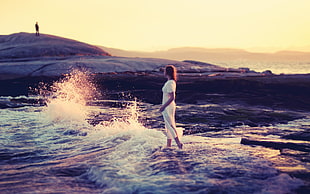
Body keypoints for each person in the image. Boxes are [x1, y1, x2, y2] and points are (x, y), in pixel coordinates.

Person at [160, 65, 183, 149]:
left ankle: (179, 144)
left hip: (168, 107)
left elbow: (172, 97)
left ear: (167, 72)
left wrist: (163, 106)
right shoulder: (170, 82)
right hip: (168, 106)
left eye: (164, 71)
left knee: (170, 125)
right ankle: (168, 145)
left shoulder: (170, 83)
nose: (163, 72)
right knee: (168, 125)